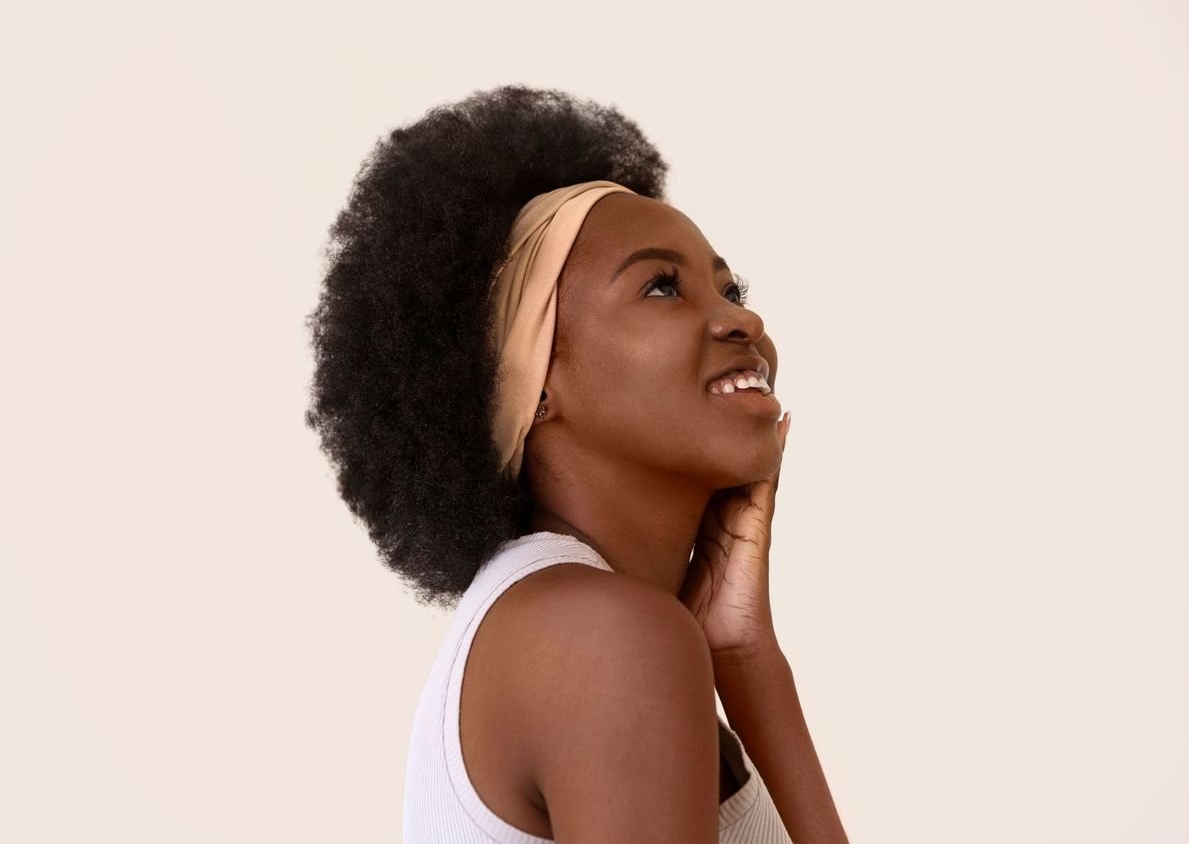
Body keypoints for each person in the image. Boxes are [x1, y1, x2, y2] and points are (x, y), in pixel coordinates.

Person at [305, 84, 850, 843]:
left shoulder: (573, 620)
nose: (741, 318)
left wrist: (746, 656)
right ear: (533, 383)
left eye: (730, 287)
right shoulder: (607, 636)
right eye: (662, 286)